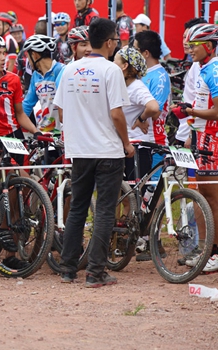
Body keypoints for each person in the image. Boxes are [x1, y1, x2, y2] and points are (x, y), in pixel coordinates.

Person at [54, 18, 133, 287]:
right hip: (108, 150)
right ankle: (95, 271)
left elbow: (62, 112)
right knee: (104, 211)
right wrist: (127, 143)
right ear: (110, 42)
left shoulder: (70, 70)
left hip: (80, 150)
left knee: (77, 207)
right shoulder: (111, 71)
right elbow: (117, 114)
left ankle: (67, 268)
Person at [180, 23, 218, 273]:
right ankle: (210, 249)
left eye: (194, 46)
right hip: (202, 136)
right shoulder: (205, 68)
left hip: (212, 139)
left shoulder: (214, 70)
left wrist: (191, 111)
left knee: (212, 198)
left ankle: (214, 252)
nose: (189, 50)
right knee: (203, 194)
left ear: (208, 46)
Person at [115, 46, 159, 181]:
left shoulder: (136, 87)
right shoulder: (121, 85)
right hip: (122, 146)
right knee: (123, 194)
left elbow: (153, 107)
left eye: (115, 61)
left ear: (124, 66)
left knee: (135, 194)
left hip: (137, 148)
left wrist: (141, 118)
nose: (112, 64)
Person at [21, 35, 65, 134]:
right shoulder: (35, 76)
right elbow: (27, 105)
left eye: (28, 56)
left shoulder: (61, 70)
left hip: (63, 132)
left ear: (34, 55)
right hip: (44, 133)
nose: (28, 60)